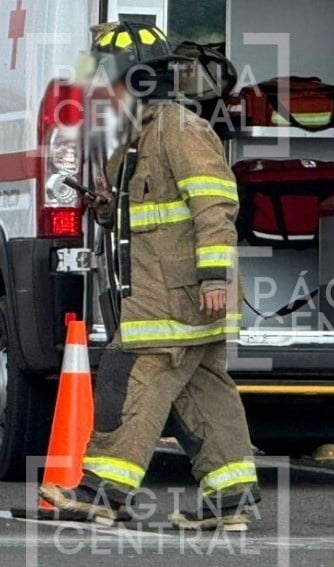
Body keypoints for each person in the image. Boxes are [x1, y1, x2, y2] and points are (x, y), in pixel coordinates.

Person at [39, 22, 259, 531]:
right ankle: (231, 500)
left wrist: (213, 279)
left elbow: (215, 205)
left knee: (128, 384)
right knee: (204, 391)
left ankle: (101, 493)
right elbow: (135, 211)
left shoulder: (182, 131)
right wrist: (102, 208)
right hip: (176, 298)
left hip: (173, 300)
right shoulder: (140, 137)